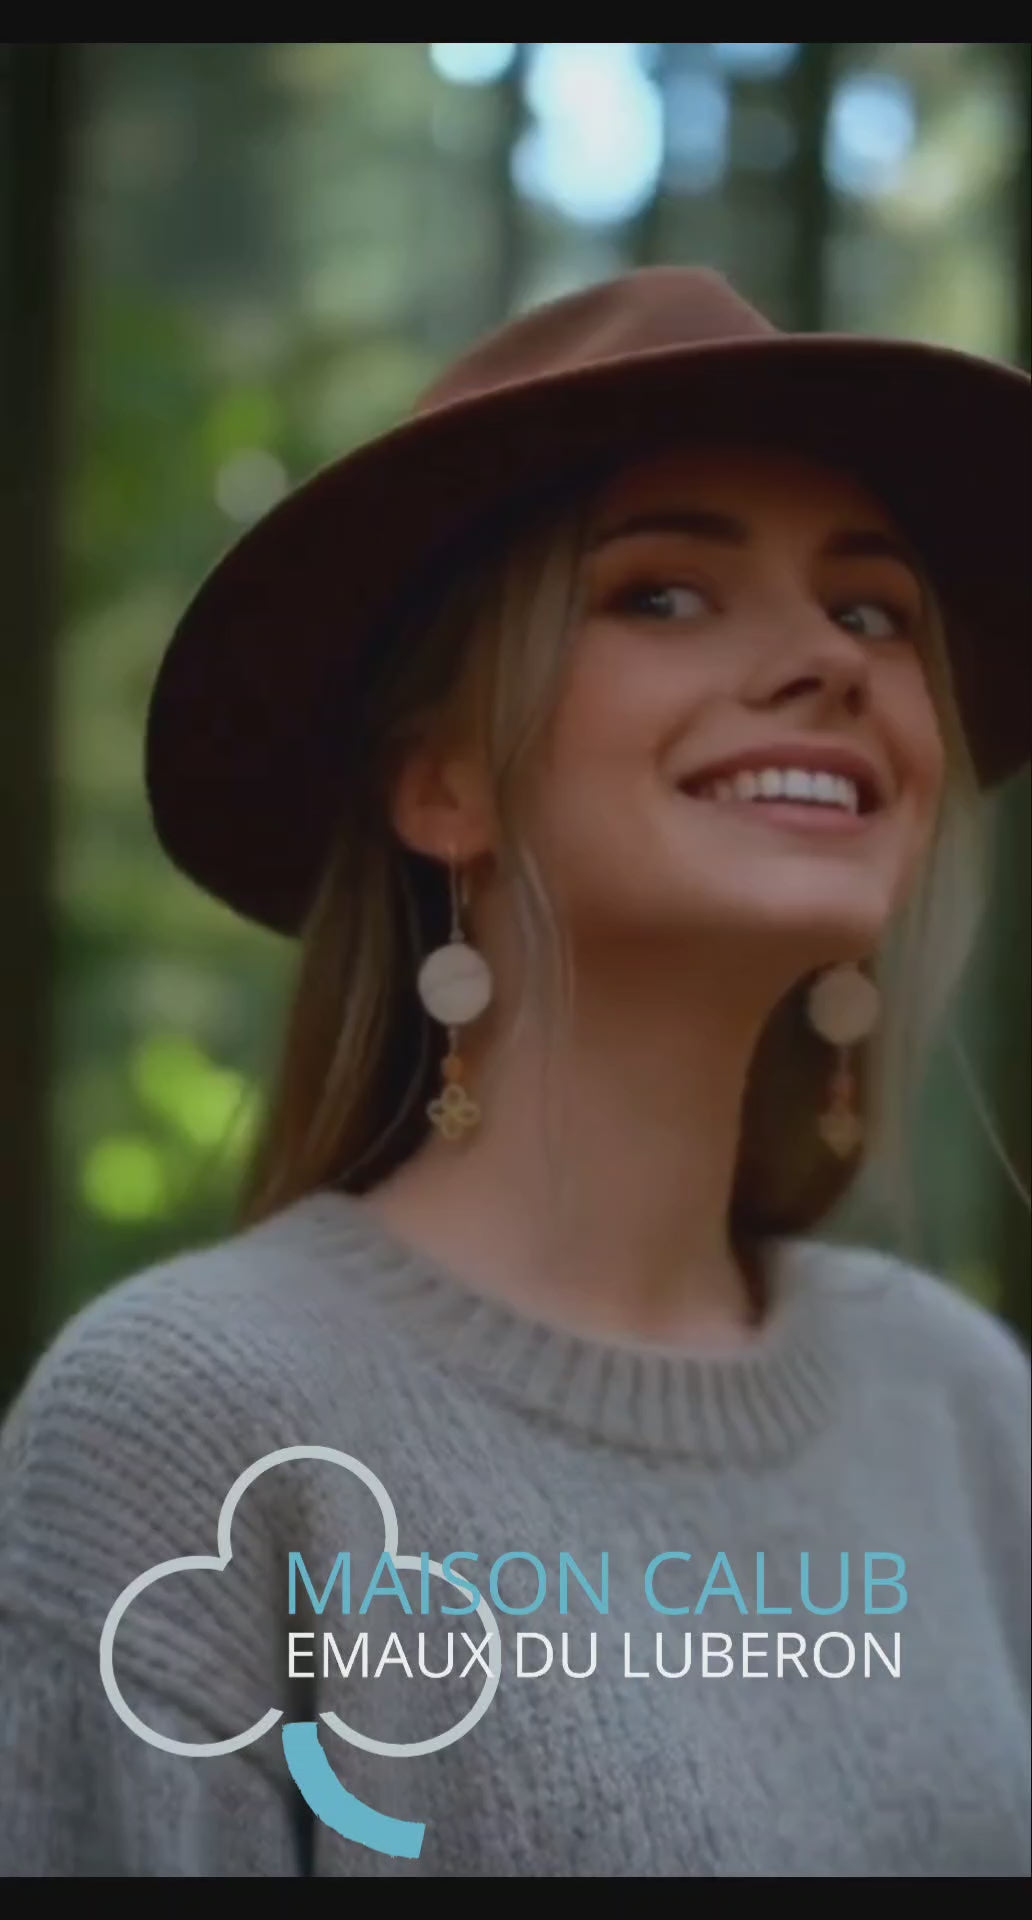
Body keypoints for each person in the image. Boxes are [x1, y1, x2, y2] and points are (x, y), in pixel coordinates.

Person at [1, 266, 1029, 1879]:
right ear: (443, 786)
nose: (830, 662)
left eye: (874, 610)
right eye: (666, 595)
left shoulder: (964, 1408)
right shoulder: (190, 1423)